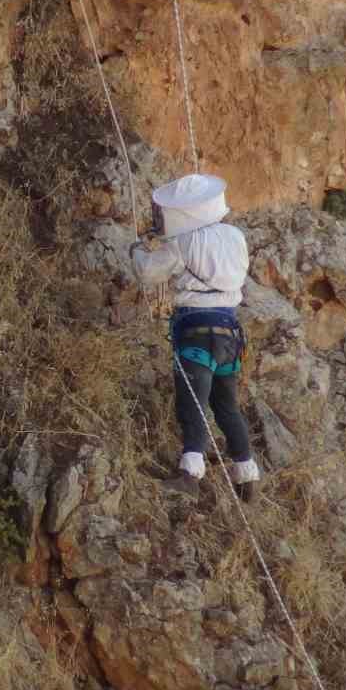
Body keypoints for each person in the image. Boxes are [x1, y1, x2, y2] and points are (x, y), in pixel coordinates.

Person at [129, 173, 261, 501]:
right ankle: (247, 475)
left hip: (196, 333)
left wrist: (136, 249)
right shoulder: (235, 236)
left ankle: (190, 473)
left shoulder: (182, 243)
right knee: (226, 405)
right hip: (230, 334)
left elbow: (147, 272)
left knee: (194, 403)